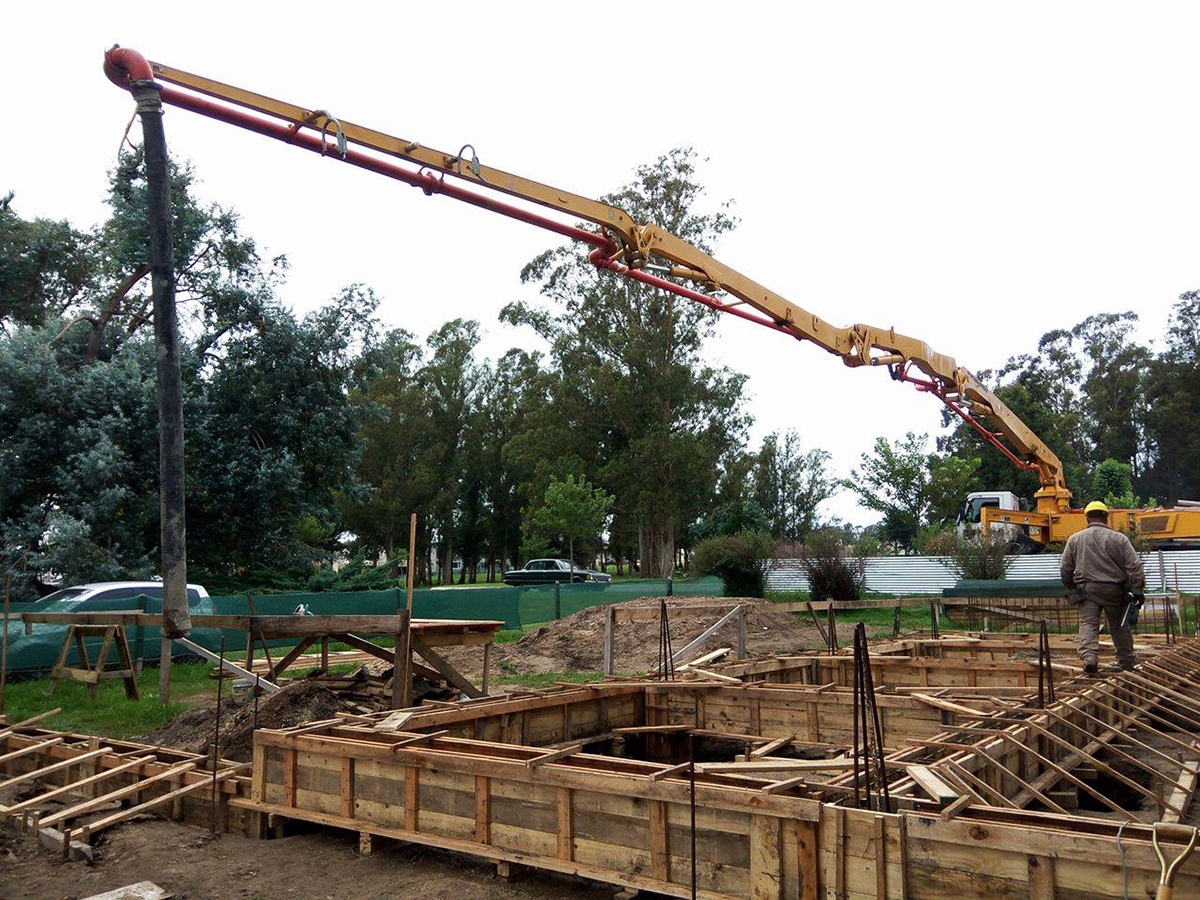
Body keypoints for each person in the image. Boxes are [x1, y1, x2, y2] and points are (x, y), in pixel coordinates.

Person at [1059, 501, 1145, 673]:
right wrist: (1138, 591)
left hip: (1088, 590)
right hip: (1114, 591)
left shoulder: (1075, 539)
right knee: (1119, 626)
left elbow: (1065, 568)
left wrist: (1072, 586)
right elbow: (1135, 566)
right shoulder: (1119, 539)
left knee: (1088, 624)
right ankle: (1126, 661)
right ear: (1106, 517)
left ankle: (1090, 659)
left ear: (1087, 518)